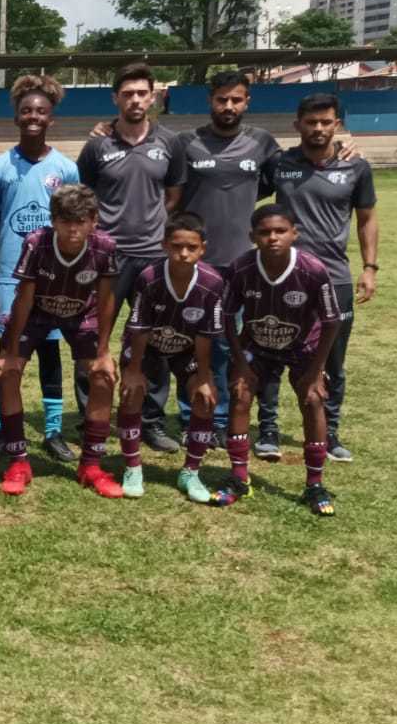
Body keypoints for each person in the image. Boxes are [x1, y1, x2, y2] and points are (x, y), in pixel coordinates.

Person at [258, 94, 379, 463]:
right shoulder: (280, 164)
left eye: (326, 122)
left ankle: (332, 432)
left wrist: (370, 268)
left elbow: (367, 218)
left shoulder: (356, 167)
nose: (319, 129)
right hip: (282, 276)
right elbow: (237, 185)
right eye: (311, 122)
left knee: (333, 360)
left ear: (337, 124)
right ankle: (267, 431)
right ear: (298, 125)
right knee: (272, 352)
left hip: (334, 278)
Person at [75, 63, 187, 453]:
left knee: (153, 341)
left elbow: (173, 196)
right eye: (128, 93)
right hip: (107, 256)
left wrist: (156, 231)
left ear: (153, 96)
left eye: (142, 92)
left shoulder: (170, 144)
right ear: (115, 99)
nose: (135, 99)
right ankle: (92, 418)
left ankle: (150, 422)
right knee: (93, 335)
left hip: (153, 257)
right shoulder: (97, 146)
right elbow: (84, 197)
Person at [166, 70, 282, 439]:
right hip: (196, 262)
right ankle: (193, 417)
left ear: (247, 101)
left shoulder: (262, 143)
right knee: (195, 344)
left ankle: (230, 415)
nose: (229, 106)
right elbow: (167, 188)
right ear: (210, 101)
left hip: (243, 262)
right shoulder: (187, 143)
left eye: (236, 99)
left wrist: (341, 150)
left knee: (237, 342)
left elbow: (292, 170)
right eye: (222, 99)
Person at [213, 205, 342, 516]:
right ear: (252, 236)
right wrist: (240, 363)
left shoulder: (313, 270)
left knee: (312, 401)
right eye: (264, 232)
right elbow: (227, 316)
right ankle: (240, 478)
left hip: (302, 346)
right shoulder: (241, 268)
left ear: (294, 234)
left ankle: (314, 485)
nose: (273, 237)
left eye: (280, 231)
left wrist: (316, 371)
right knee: (240, 395)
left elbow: (332, 321)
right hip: (258, 344)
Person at [0, 184, 121, 497]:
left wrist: (104, 351)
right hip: (37, 312)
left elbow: (106, 299)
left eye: (80, 220)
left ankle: (90, 464)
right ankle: (18, 461)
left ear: (94, 220)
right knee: (8, 373)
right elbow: (23, 299)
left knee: (103, 377)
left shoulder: (105, 247)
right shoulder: (36, 243)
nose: (73, 228)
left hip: (81, 313)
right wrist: (11, 352)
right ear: (53, 220)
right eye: (65, 220)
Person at [0, 75, 79, 467]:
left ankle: (53, 430)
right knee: (8, 350)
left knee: (50, 351)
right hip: (11, 276)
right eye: (26, 111)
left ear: (51, 117)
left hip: (53, 276)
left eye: (41, 111)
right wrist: (15, 248)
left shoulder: (66, 168)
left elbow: (73, 220)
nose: (33, 116)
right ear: (17, 116)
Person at [115, 213, 226, 502]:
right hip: (147, 346)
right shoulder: (149, 277)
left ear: (203, 248)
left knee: (203, 398)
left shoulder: (213, 282)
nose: (183, 253)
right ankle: (133, 467)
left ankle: (191, 472)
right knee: (132, 391)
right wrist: (134, 370)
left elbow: (205, 336)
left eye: (191, 247)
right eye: (177, 246)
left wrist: (204, 377)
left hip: (186, 348)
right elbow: (139, 328)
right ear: (165, 245)